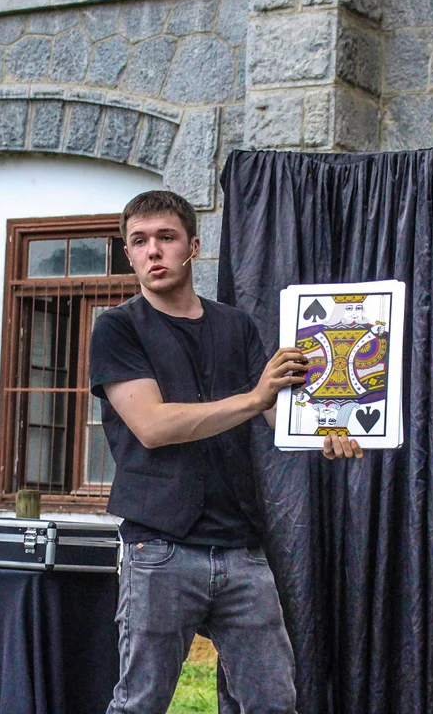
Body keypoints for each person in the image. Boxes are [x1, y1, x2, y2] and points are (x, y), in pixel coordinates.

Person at [90, 190, 362, 714]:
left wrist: (327, 431)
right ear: (128, 254)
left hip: (241, 546)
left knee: (273, 703)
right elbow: (152, 426)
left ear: (193, 246)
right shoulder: (117, 327)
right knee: (140, 704)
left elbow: (278, 416)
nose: (153, 251)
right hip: (160, 546)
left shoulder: (235, 325)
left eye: (166, 238)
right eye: (139, 241)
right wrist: (255, 398)